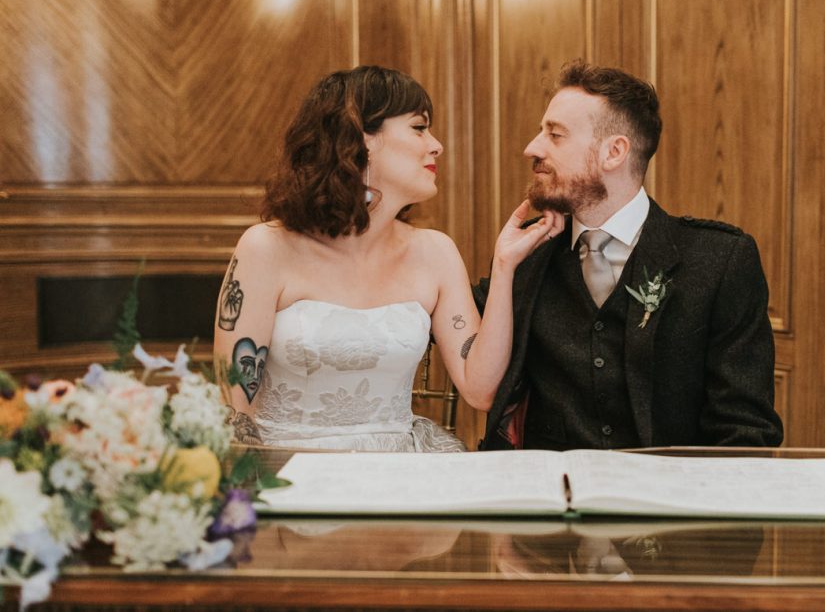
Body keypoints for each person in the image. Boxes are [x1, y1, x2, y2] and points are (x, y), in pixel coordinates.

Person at [214, 66, 561, 451]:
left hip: (402, 471)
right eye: (418, 128)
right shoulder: (266, 248)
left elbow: (481, 391)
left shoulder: (436, 252)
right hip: (289, 470)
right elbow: (234, 405)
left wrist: (504, 266)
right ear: (362, 139)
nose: (436, 145)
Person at [475, 61, 783, 451]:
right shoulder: (526, 263)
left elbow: (746, 432)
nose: (531, 148)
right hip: (546, 497)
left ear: (614, 152)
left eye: (555, 135)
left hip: (670, 501)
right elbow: (430, 315)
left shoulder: (721, 261)